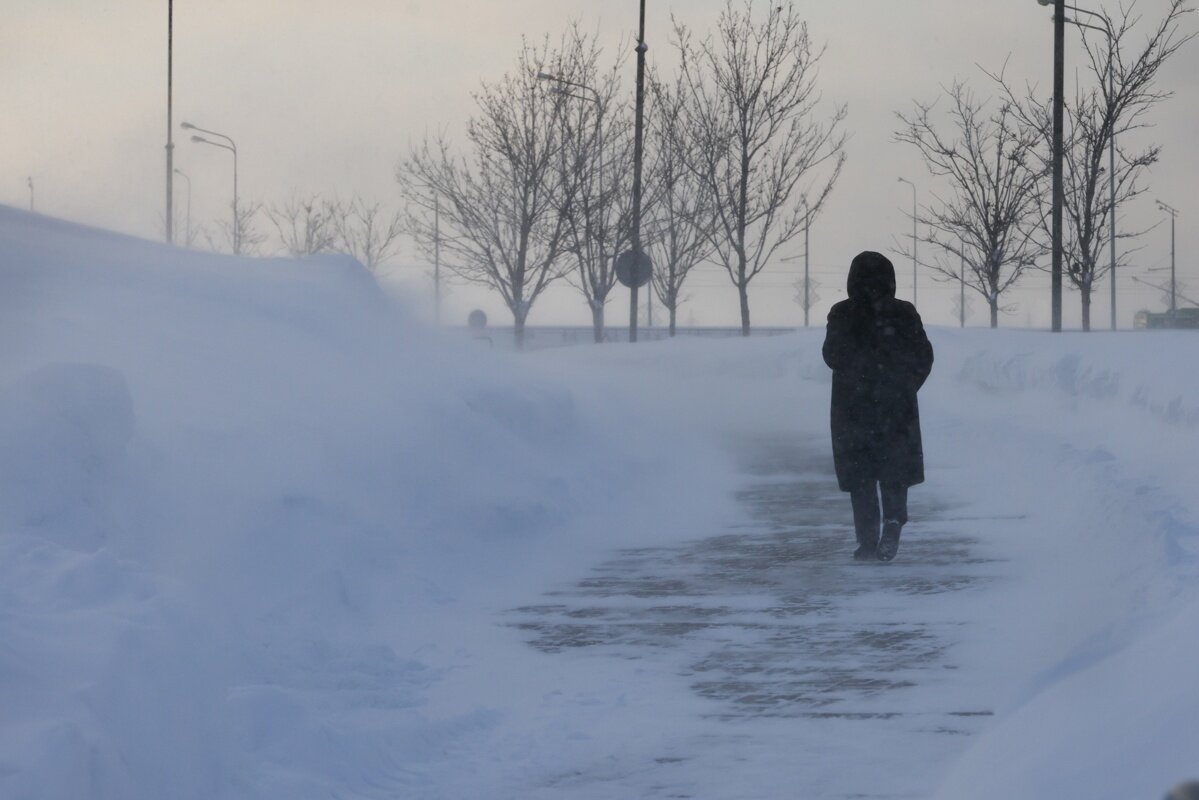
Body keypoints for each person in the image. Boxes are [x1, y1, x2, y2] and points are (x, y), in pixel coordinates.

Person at [822, 251, 933, 562]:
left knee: (861, 477)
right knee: (894, 470)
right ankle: (894, 522)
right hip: (895, 408)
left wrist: (856, 371)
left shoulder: (842, 313)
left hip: (853, 409)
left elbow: (831, 355)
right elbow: (923, 355)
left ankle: (868, 539)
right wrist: (907, 385)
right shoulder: (904, 313)